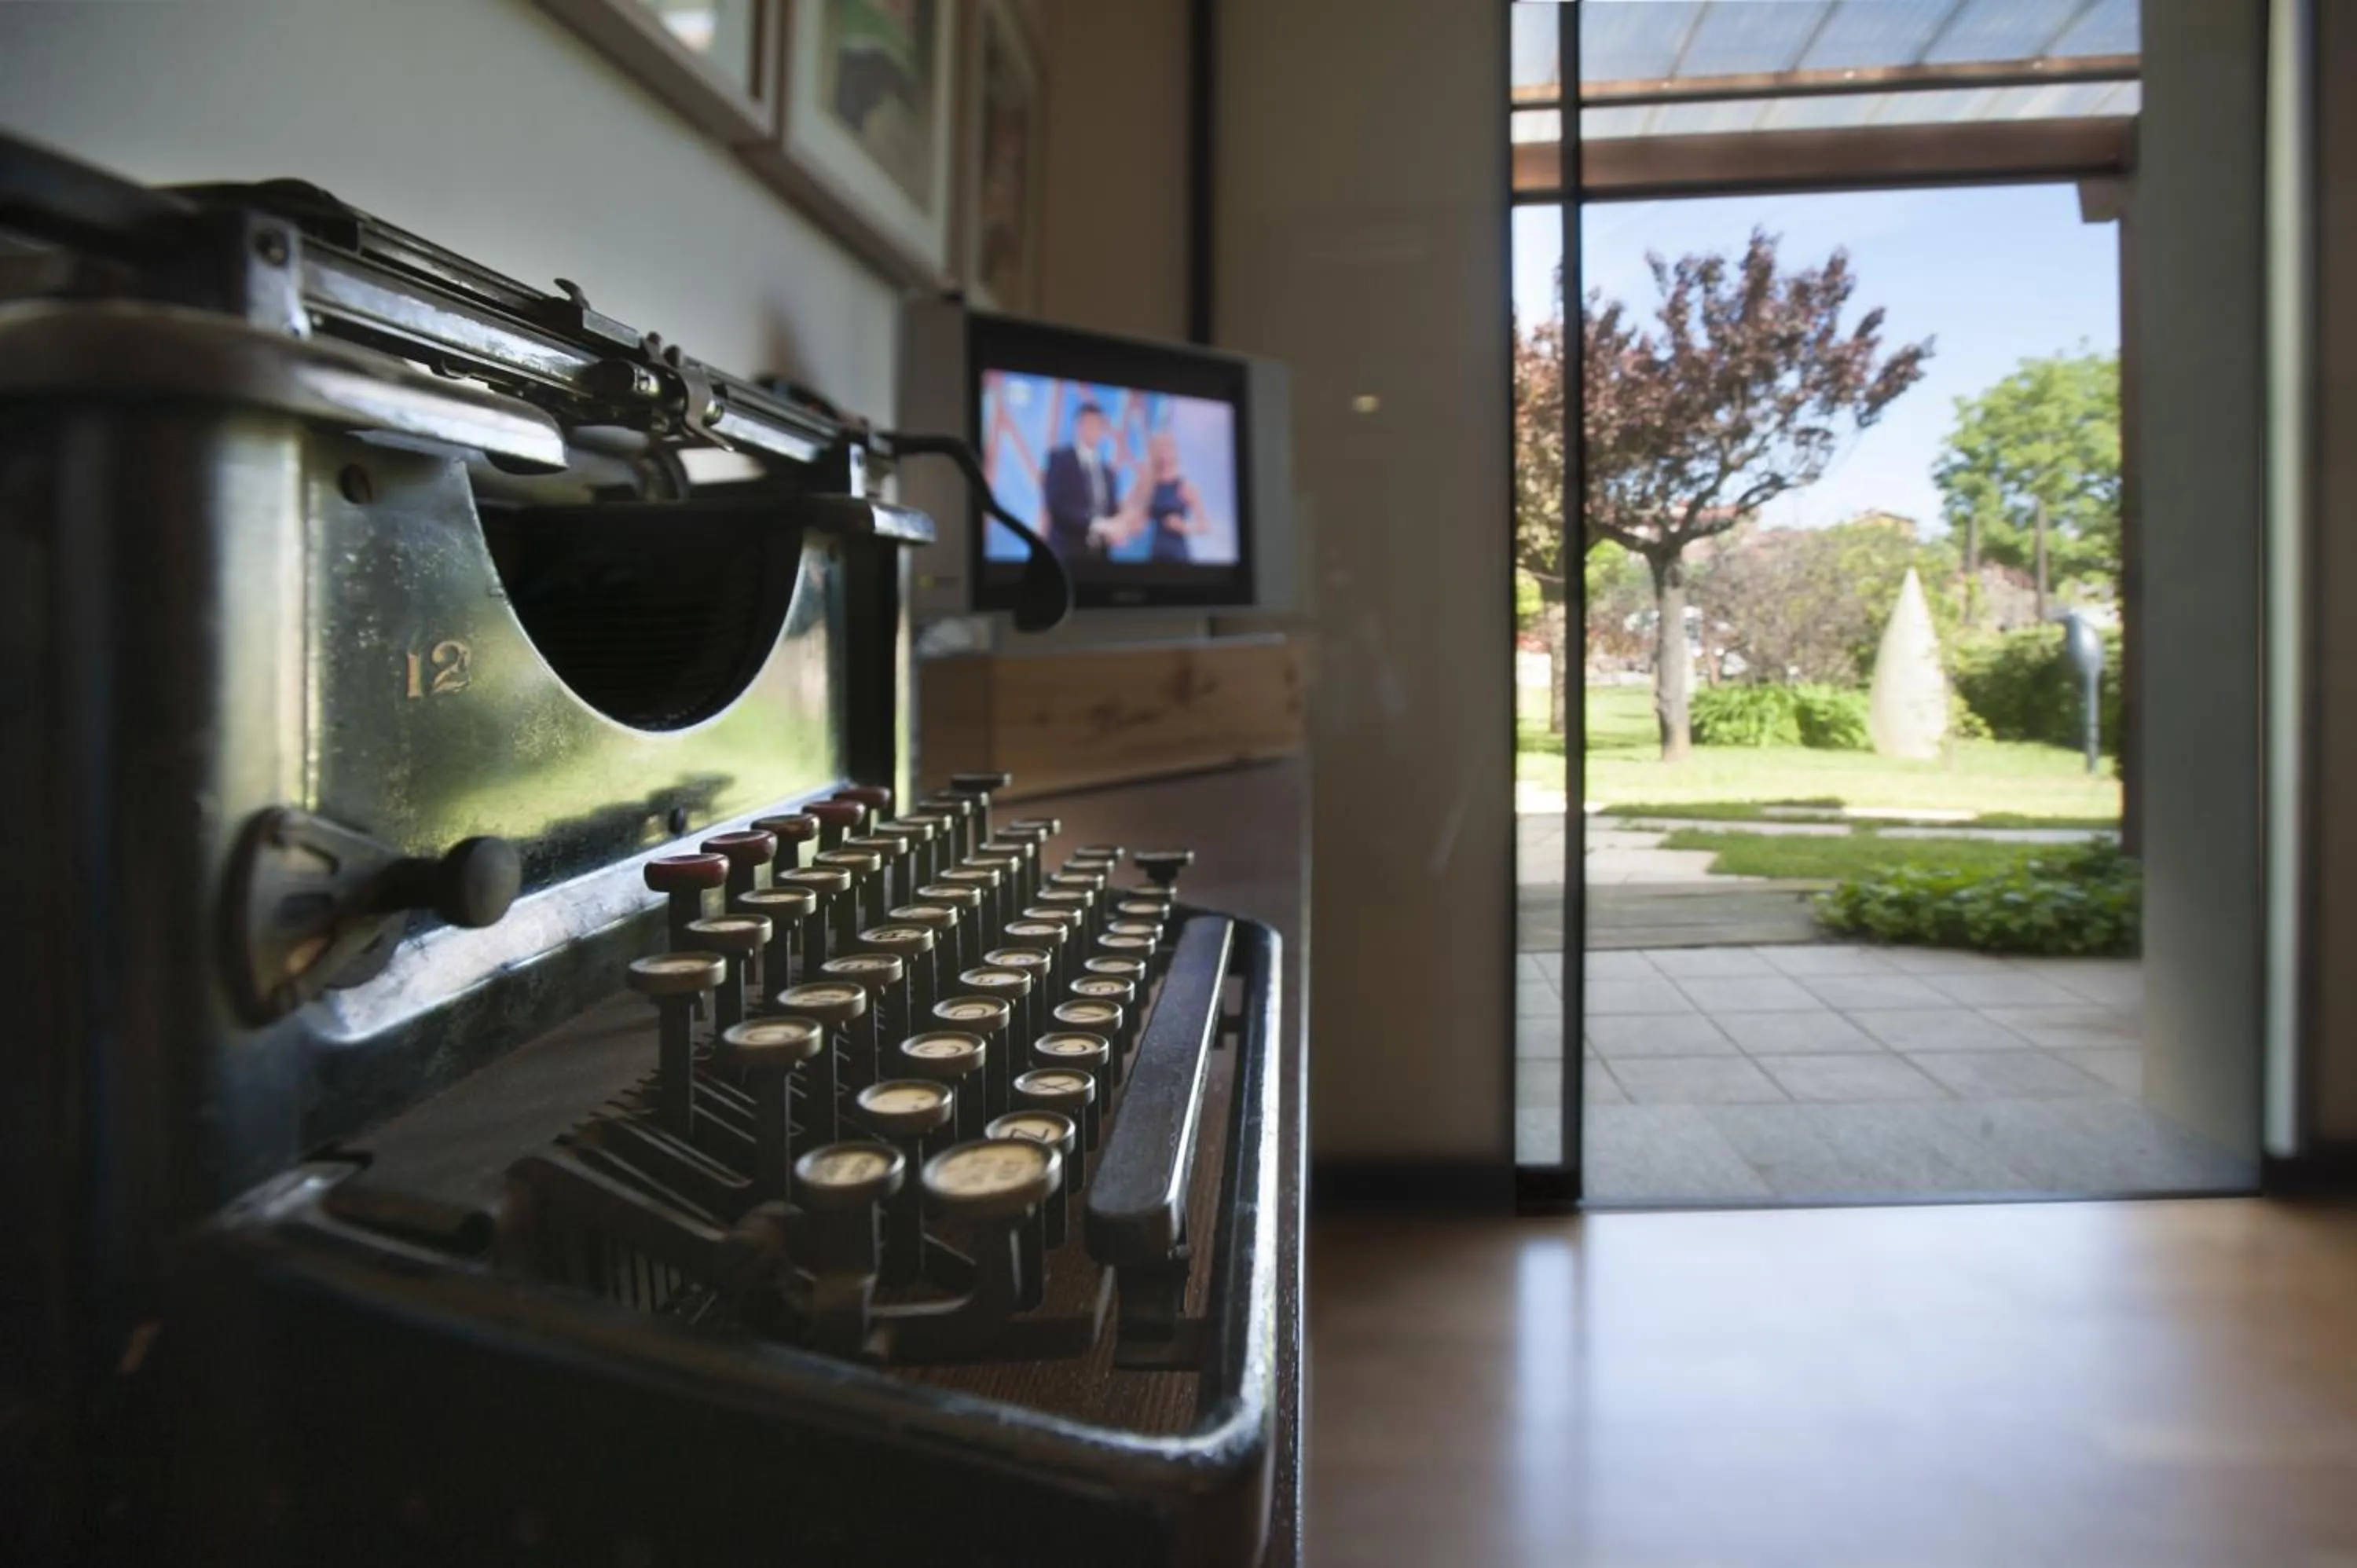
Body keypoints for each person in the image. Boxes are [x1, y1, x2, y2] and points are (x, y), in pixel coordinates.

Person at [1040, 403, 1124, 566]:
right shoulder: (1059, 460)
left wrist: (1120, 526)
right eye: (1089, 424)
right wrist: (1096, 524)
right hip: (1067, 555)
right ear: (1079, 426)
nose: (1093, 430)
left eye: (1098, 425)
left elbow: (1112, 510)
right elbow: (1056, 506)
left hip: (1101, 557)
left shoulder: (1108, 472)